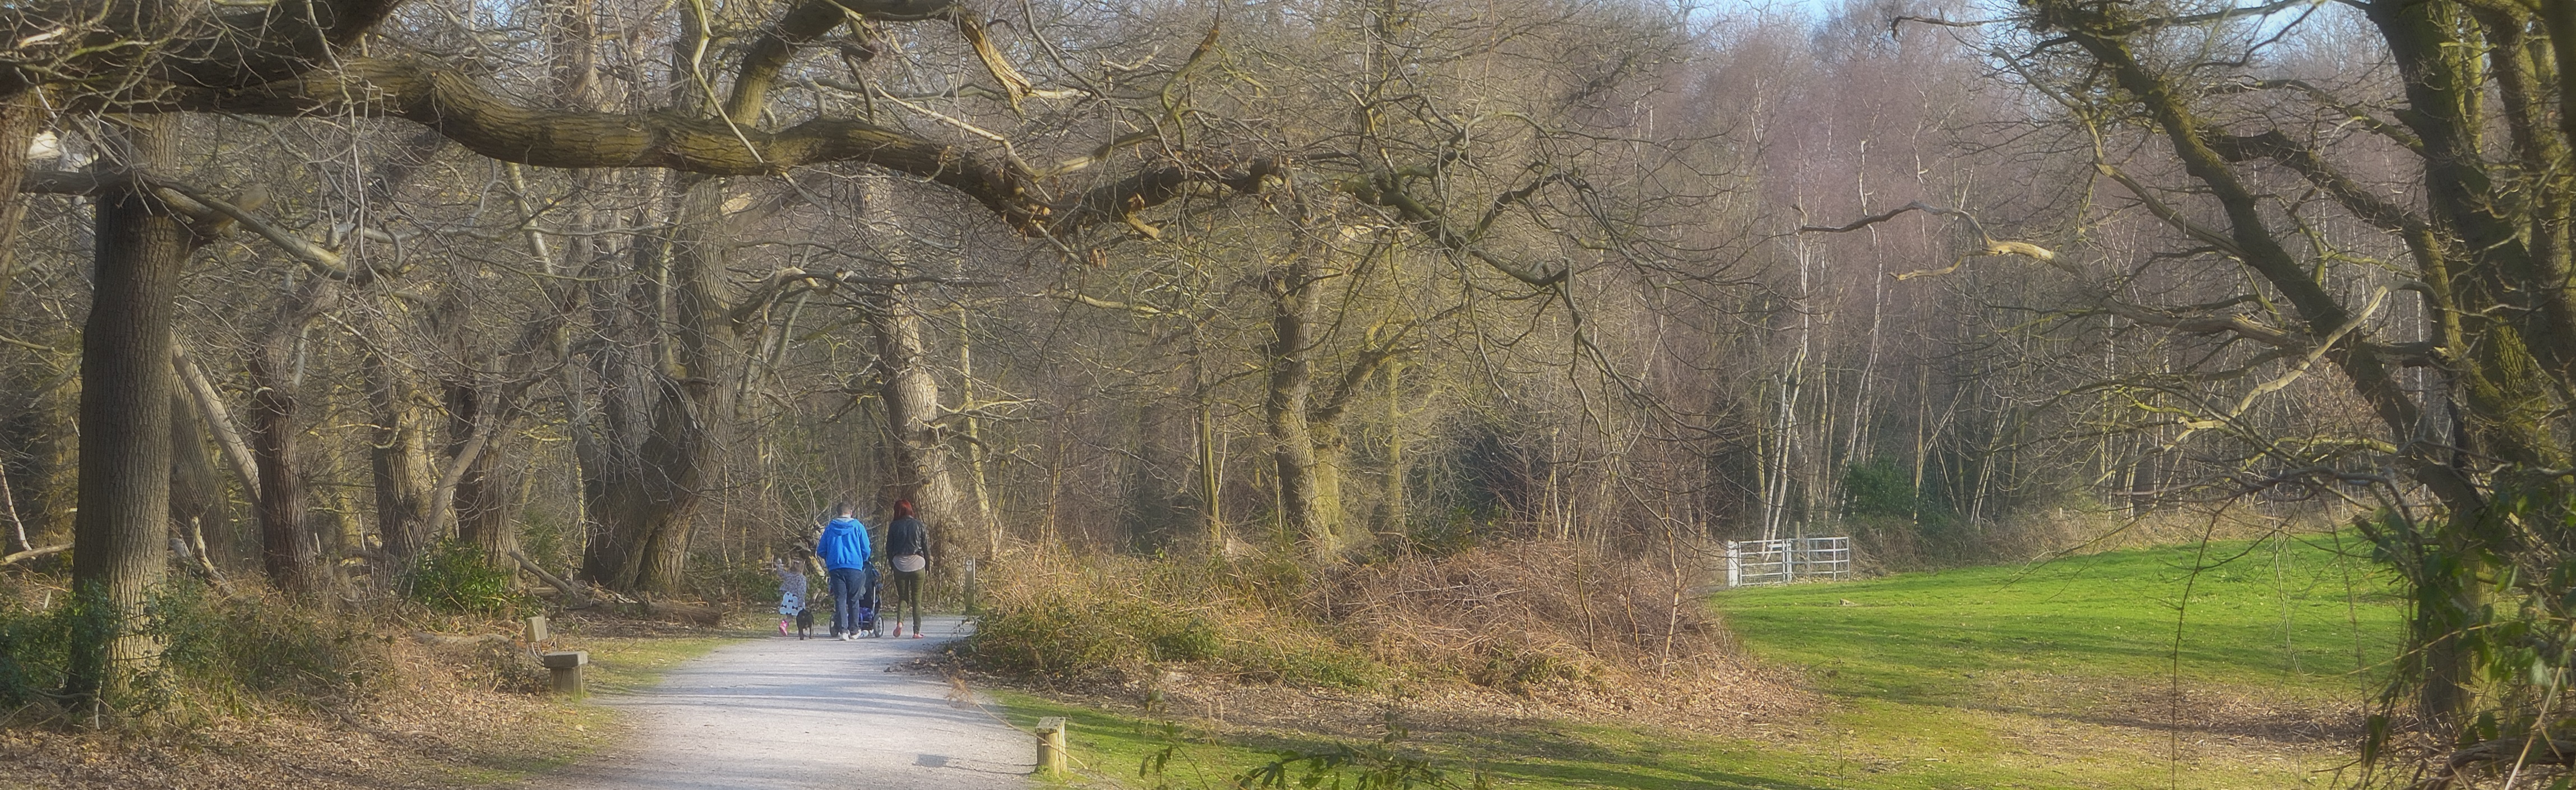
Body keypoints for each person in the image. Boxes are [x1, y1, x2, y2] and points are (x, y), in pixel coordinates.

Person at [815, 502, 874, 640]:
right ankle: (854, 630)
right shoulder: (858, 527)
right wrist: (862, 559)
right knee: (854, 599)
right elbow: (866, 549)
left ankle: (843, 631)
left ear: (838, 513)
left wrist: (830, 558)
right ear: (851, 512)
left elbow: (821, 550)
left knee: (840, 598)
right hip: (855, 567)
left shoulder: (830, 528)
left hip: (836, 567)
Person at [882, 500, 929, 638]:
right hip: (918, 564)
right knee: (917, 600)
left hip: (900, 564)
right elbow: (926, 548)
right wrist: (927, 566)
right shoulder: (919, 525)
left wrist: (893, 565)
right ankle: (916, 631)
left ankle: (900, 623)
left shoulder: (894, 526)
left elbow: (889, 548)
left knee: (903, 597)